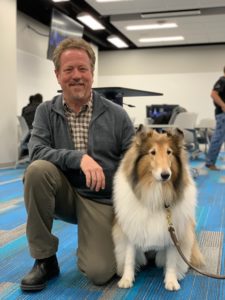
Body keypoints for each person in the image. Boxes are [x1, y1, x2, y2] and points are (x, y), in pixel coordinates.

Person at [20, 37, 135, 291]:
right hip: (64, 194)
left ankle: (100, 242)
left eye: (82, 69)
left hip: (102, 200)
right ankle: (44, 259)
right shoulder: (45, 111)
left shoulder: (117, 115)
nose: (76, 76)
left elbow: (133, 164)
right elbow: (36, 151)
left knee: (100, 272)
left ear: (92, 73)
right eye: (68, 69)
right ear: (57, 75)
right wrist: (78, 158)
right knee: (37, 170)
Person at [205, 66, 225, 170]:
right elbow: (213, 94)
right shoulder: (222, 80)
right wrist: (223, 105)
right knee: (218, 139)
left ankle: (210, 162)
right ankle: (210, 162)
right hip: (222, 114)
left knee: (219, 138)